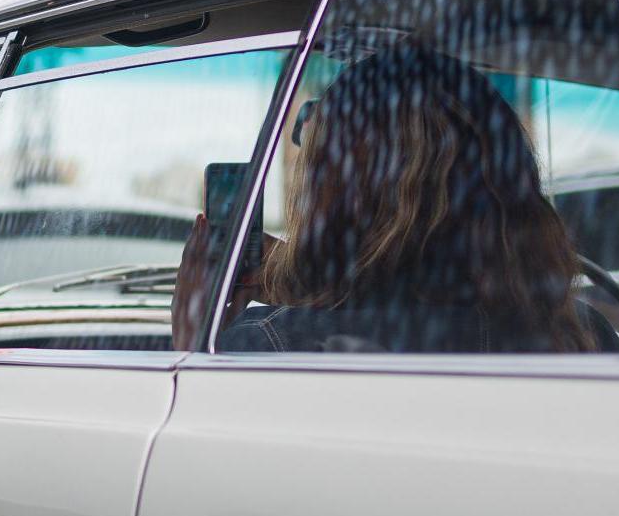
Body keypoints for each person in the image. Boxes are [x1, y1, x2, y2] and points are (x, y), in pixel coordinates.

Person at [188, 42, 596, 355]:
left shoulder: (272, 346)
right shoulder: (577, 336)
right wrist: (314, 287)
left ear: (339, 196)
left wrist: (193, 339)